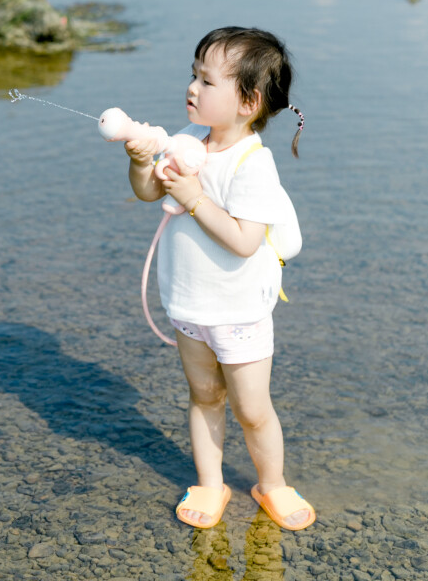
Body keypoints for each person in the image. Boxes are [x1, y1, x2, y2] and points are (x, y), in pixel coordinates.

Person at [124, 27, 315, 532]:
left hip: (238, 314)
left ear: (248, 102)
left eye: (206, 81)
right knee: (204, 396)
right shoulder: (187, 141)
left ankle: (270, 483)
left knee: (253, 409)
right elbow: (148, 193)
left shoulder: (254, 164)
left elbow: (244, 240)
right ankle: (211, 483)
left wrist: (192, 196)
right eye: (193, 75)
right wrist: (141, 161)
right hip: (189, 306)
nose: (191, 87)